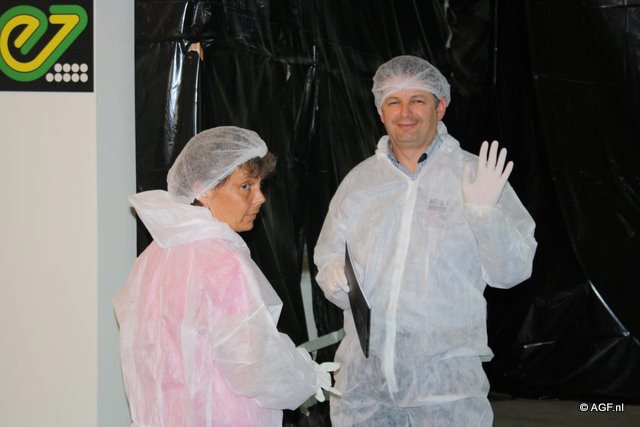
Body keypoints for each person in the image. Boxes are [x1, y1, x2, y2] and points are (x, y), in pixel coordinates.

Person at [314, 55, 537, 426]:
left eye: (417, 100)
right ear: (380, 112)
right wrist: (334, 277)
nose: (405, 113)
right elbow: (329, 256)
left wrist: (485, 216)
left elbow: (512, 272)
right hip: (364, 389)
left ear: (441, 107)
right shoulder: (359, 183)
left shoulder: (475, 175)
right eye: (393, 102)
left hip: (444, 389)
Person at [114, 126, 339, 427]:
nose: (260, 197)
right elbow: (254, 362)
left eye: (259, 185)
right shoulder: (223, 262)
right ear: (203, 190)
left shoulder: (152, 257)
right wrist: (305, 377)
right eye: (245, 186)